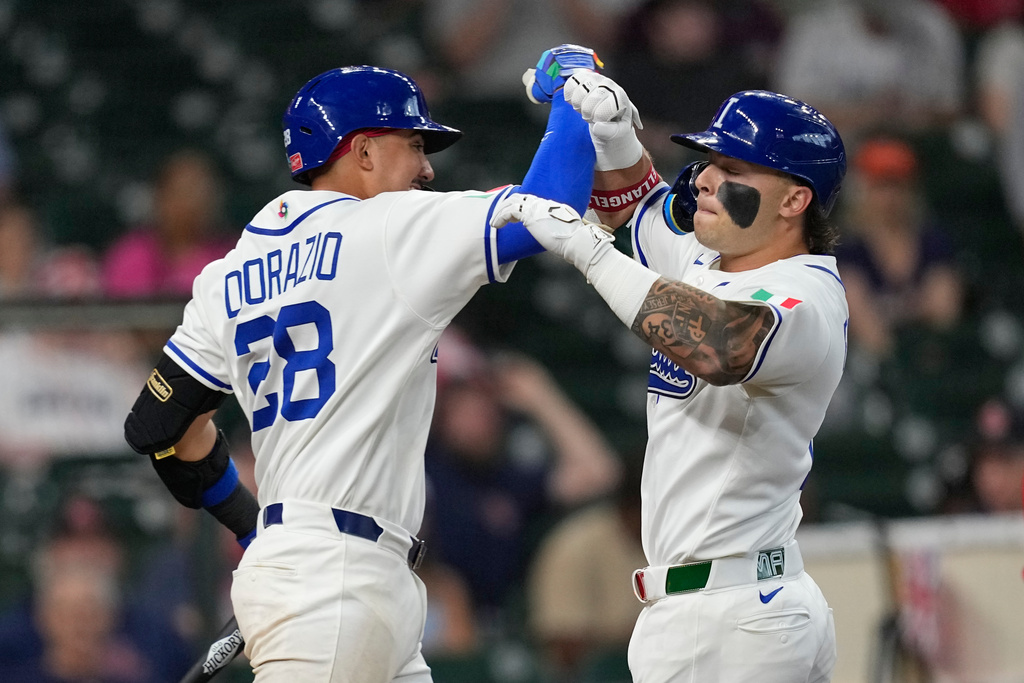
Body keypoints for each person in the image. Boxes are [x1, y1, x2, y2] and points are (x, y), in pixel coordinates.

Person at [121, 49, 601, 682]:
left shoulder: (231, 268)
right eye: (414, 144)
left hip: (342, 574)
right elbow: (553, 209)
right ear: (364, 152)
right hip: (335, 581)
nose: (428, 168)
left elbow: (161, 427)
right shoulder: (386, 228)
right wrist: (574, 92)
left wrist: (249, 525)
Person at [492, 70, 848, 680]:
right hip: (718, 608)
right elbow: (642, 212)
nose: (705, 179)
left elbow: (719, 345)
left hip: (735, 618)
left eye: (733, 170)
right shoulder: (714, 261)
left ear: (795, 200)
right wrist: (613, 133)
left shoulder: (808, 294)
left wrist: (587, 250)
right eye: (710, 162)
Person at [425, 328, 621, 612]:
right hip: (430, 620)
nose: (481, 416)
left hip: (494, 627)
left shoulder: (509, 479)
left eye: (486, 405)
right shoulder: (423, 470)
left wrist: (541, 397)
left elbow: (601, 474)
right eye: (465, 406)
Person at [835, 135, 964, 358]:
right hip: (869, 363)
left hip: (931, 355)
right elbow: (862, 320)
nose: (890, 198)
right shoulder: (849, 249)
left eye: (897, 186)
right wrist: (917, 307)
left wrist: (893, 312)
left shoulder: (932, 241)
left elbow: (945, 310)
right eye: (881, 187)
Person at [101, 149, 235, 298]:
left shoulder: (234, 256)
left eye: (203, 192)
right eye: (184, 192)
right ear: (160, 196)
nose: (194, 203)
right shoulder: (131, 255)